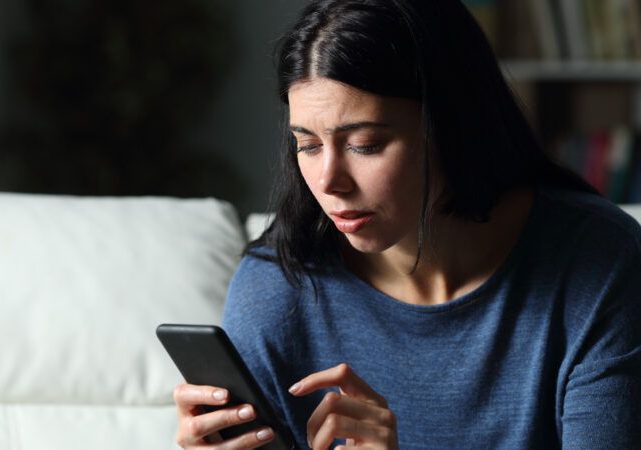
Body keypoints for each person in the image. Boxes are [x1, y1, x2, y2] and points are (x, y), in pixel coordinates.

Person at [172, 0, 641, 448]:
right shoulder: (277, 284)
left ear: (453, 127)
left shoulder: (599, 264)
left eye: (366, 144)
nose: (329, 182)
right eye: (308, 145)